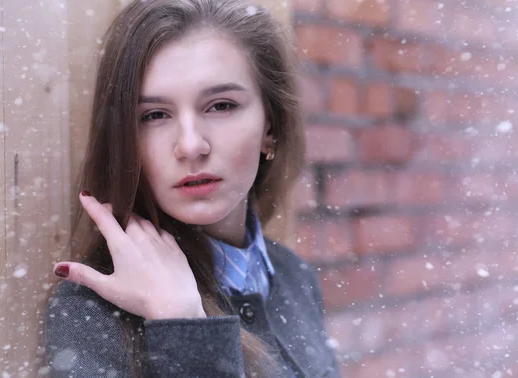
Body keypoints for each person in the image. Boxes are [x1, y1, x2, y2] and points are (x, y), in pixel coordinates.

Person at [43, 0, 340, 377]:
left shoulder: (294, 277)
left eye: (220, 106)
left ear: (270, 126)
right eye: (154, 115)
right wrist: (181, 323)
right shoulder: (93, 309)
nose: (190, 145)